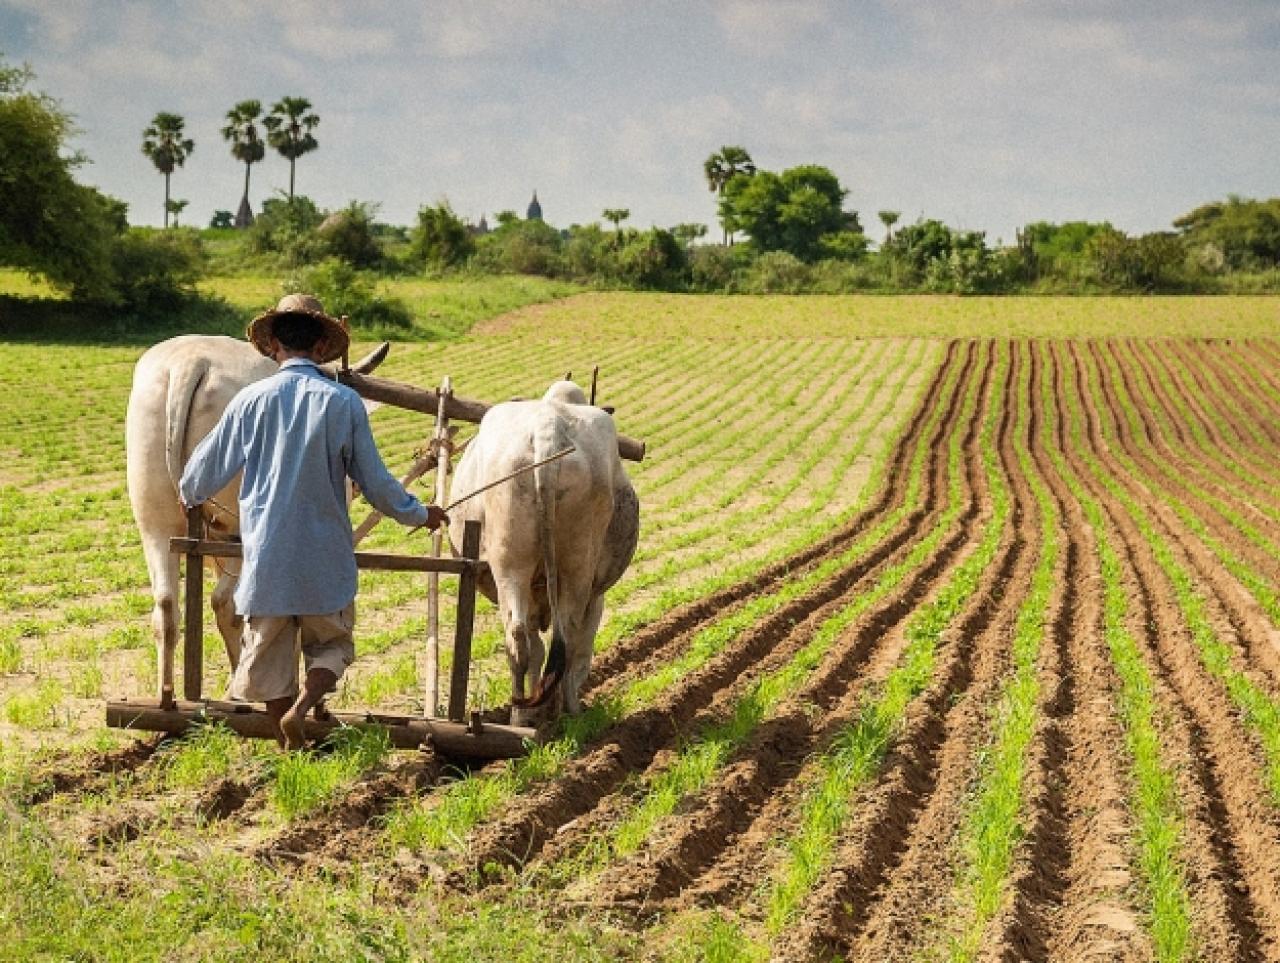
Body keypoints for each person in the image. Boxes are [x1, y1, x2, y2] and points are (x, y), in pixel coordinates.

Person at [179, 293, 447, 749]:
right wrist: (421, 514)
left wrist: (191, 498)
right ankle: (303, 710)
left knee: (267, 662)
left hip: (266, 559)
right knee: (333, 645)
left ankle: (291, 747)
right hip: (326, 558)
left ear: (273, 346)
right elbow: (377, 483)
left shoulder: (249, 402)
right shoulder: (344, 403)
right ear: (322, 347)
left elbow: (198, 478)